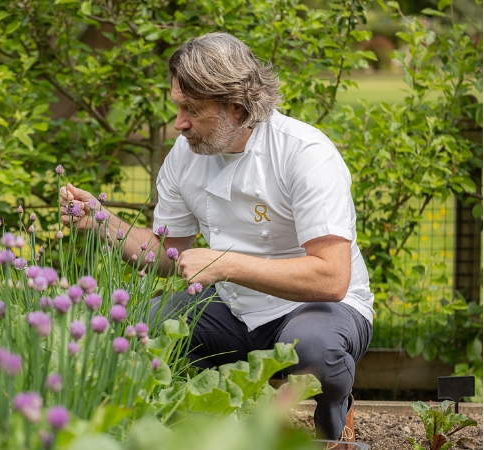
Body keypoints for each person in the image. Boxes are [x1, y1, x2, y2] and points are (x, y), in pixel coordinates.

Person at [59, 32, 373, 443]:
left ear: (236, 107)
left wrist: (224, 263)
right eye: (177, 107)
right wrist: (102, 221)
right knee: (138, 329)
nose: (179, 123)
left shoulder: (305, 153)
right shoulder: (185, 155)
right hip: (234, 307)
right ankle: (202, 433)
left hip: (315, 306)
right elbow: (167, 254)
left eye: (192, 109)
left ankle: (334, 424)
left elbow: (331, 279)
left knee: (316, 352)